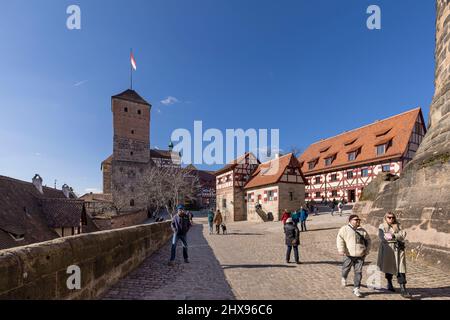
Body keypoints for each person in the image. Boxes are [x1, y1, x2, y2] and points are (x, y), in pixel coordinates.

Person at [377, 212, 411, 298]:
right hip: (388, 249)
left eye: (393, 217)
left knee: (401, 268)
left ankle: (403, 289)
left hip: (399, 249)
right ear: (385, 218)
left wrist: (393, 235)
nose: (391, 219)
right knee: (389, 267)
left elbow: (403, 234)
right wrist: (395, 236)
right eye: (389, 217)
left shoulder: (398, 225)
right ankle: (389, 283)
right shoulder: (382, 226)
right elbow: (382, 237)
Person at [337, 214, 371, 298]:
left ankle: (356, 289)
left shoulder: (362, 230)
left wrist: (367, 250)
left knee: (358, 272)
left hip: (360, 255)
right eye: (356, 220)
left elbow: (368, 240)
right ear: (350, 221)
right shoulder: (344, 229)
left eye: (358, 220)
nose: (357, 221)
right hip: (348, 254)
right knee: (346, 269)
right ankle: (344, 278)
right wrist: (341, 249)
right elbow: (339, 239)